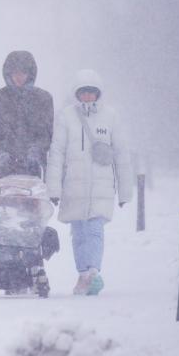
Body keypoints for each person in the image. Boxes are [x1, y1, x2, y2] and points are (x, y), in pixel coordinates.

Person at [46, 69, 134, 296]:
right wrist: (53, 189)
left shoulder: (111, 117)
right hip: (73, 188)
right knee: (78, 233)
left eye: (91, 93)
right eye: (83, 93)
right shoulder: (66, 117)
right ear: (77, 94)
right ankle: (83, 274)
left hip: (100, 188)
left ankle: (94, 272)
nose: (87, 97)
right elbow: (56, 154)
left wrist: (125, 192)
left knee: (94, 230)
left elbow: (122, 156)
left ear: (98, 94)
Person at [0, 51, 54, 180]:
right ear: (8, 74)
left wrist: (37, 150)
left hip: (35, 170)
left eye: (23, 72)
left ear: (30, 74)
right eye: (15, 73)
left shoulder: (43, 99)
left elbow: (48, 133)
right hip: (3, 171)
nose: (19, 77)